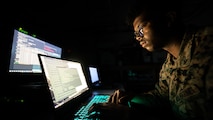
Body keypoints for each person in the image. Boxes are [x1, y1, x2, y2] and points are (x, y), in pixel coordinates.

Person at [88, 0, 213, 120]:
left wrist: (129, 116)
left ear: (168, 19)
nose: (138, 38)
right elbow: (160, 97)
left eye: (141, 30)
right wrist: (131, 97)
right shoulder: (169, 64)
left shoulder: (207, 43)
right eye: (136, 34)